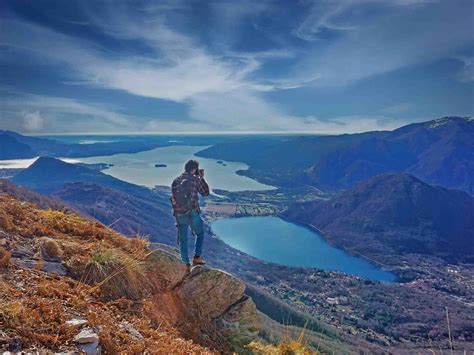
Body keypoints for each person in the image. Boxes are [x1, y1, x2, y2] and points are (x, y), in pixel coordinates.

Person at [171, 159, 210, 268]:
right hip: (192, 212)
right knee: (200, 233)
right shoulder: (195, 180)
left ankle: (185, 263)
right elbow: (205, 193)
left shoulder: (176, 180)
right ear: (194, 169)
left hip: (179, 213)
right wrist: (201, 177)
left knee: (183, 238)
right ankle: (197, 257)